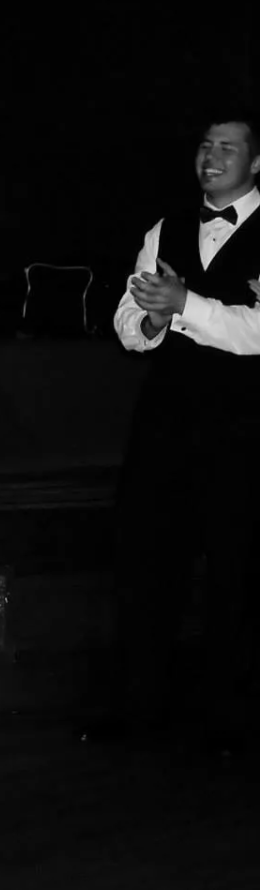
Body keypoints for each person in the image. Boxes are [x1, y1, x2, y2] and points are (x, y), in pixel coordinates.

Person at [97, 116, 260, 756]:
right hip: (166, 420)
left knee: (236, 571)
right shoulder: (164, 229)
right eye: (205, 145)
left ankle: (230, 721)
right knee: (145, 562)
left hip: (245, 427)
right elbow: (127, 321)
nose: (211, 156)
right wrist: (152, 320)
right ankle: (139, 707)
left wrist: (185, 304)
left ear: (256, 162)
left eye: (228, 148)